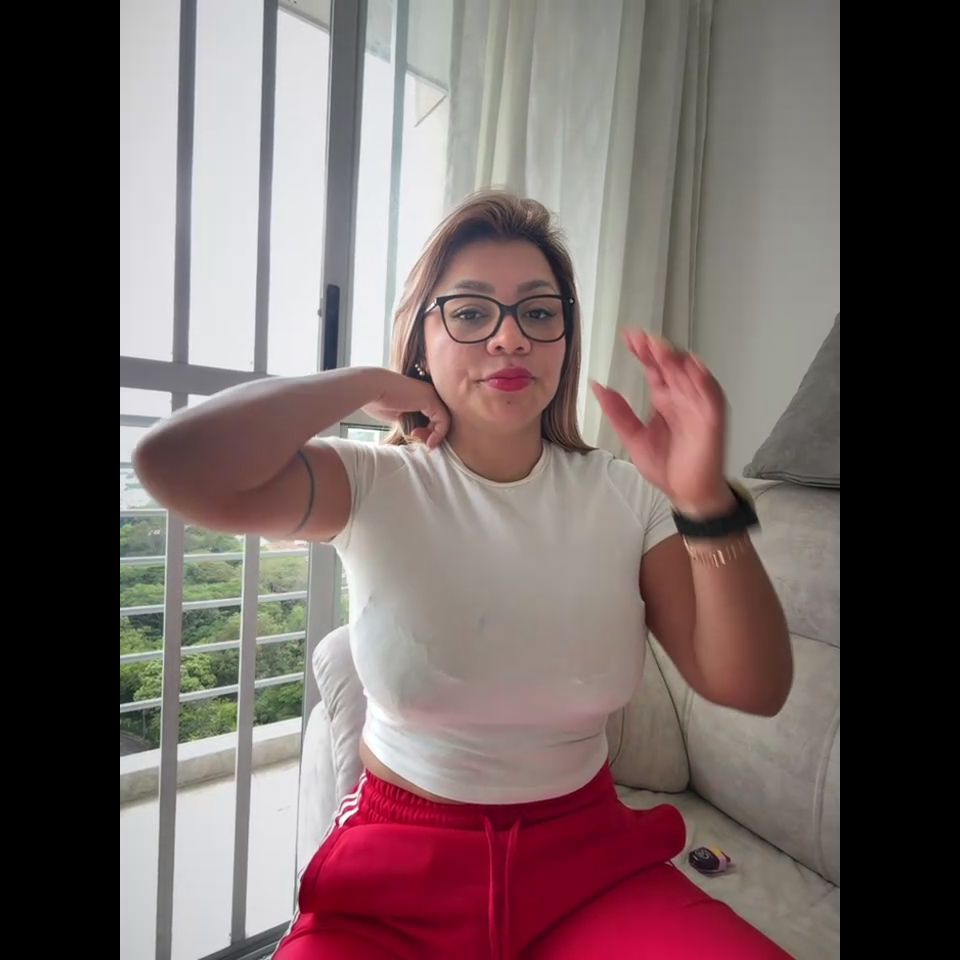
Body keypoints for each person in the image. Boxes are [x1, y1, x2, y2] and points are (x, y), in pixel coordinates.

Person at [133, 191, 794, 959]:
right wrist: (361, 384)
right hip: (394, 883)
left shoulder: (627, 495)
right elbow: (171, 463)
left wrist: (703, 500)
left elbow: (753, 687)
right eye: (472, 312)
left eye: (538, 313)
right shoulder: (371, 482)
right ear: (422, 338)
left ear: (564, 340)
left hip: (589, 866)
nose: (511, 338)